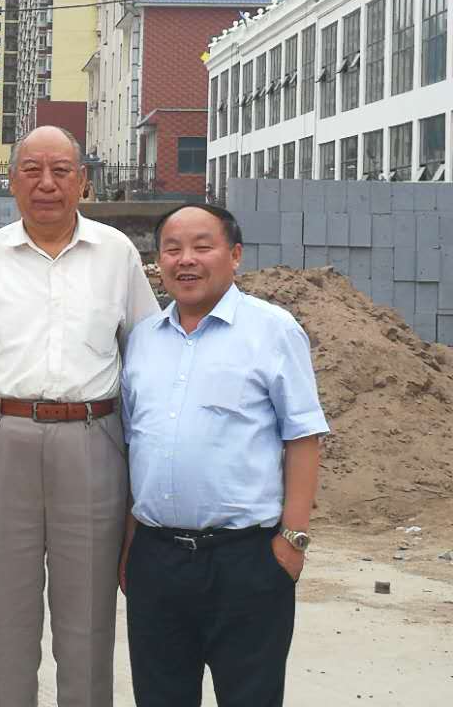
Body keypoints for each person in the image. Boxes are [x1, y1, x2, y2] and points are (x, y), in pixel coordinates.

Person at [0, 125, 159, 707]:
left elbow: (147, 362)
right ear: (12, 181)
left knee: (87, 620)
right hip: (1, 440)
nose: (46, 184)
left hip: (92, 442)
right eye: (32, 170)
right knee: (4, 618)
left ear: (82, 181)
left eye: (61, 171)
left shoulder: (116, 254)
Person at [120, 204, 328, 707]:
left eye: (202, 246)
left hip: (247, 561)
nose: (186, 260)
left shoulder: (273, 330)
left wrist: (292, 542)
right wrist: (130, 546)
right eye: (172, 249)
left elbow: (303, 437)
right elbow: (132, 446)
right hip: (157, 559)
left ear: (234, 255)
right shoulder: (143, 339)